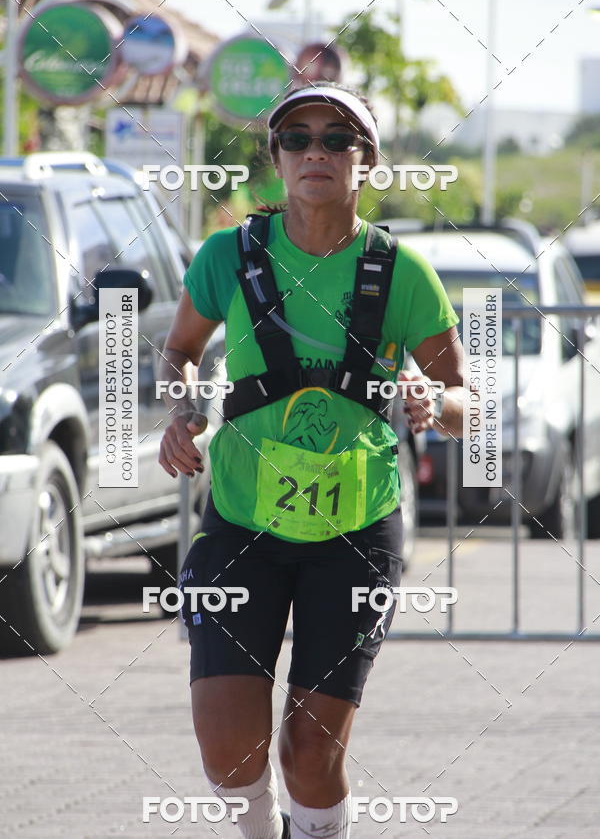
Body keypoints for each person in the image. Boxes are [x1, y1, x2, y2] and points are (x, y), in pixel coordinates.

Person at [158, 82, 465, 838]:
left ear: (367, 161)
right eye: (297, 138)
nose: (316, 152)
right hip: (240, 523)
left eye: (338, 139)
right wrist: (182, 408)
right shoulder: (227, 256)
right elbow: (179, 351)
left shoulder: (402, 273)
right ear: (276, 159)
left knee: (308, 751)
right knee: (230, 750)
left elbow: (467, 400)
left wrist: (435, 398)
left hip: (356, 535)